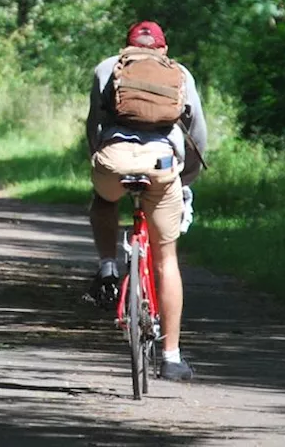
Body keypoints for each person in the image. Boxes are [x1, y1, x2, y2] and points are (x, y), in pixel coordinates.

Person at [84, 20, 208, 382]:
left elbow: (94, 124)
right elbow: (197, 132)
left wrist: (101, 159)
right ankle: (171, 357)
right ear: (163, 49)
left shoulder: (108, 67)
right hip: (162, 163)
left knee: (105, 201)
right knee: (166, 257)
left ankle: (108, 264)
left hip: (115, 160)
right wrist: (186, 179)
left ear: (127, 47)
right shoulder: (180, 73)